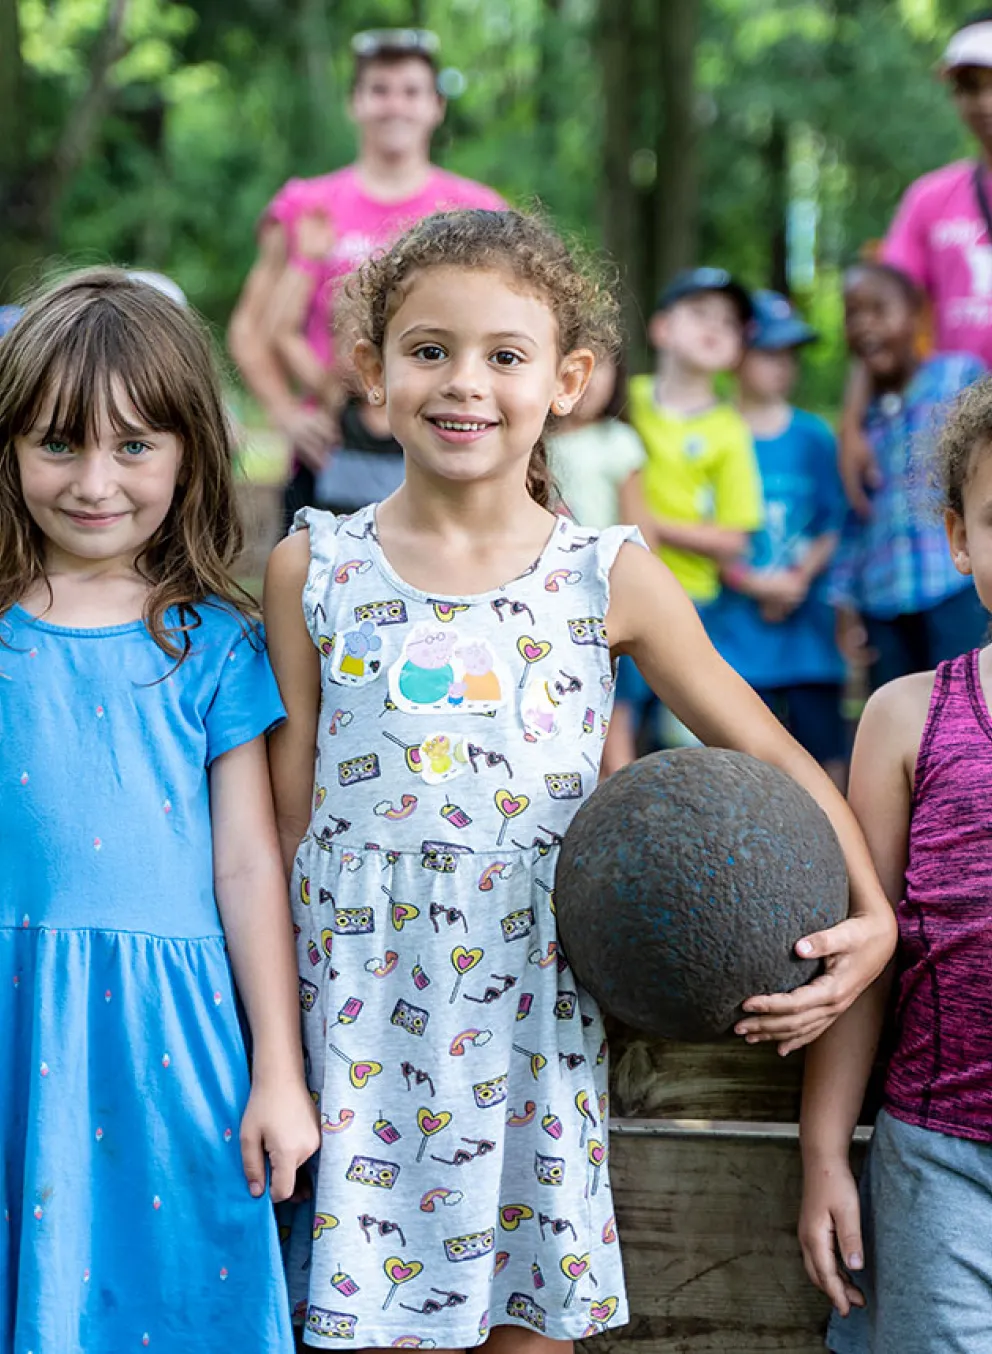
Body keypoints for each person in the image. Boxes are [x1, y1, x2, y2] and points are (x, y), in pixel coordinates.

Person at [263, 207, 897, 1351]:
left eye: (505, 356)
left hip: (527, 1020)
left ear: (569, 380)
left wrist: (873, 915)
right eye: (428, 349)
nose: (465, 383)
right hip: (353, 1026)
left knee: (527, 1327)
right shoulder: (314, 566)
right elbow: (280, 823)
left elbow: (766, 747)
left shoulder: (604, 574)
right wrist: (269, 1047)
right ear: (371, 372)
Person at [0, 268, 319, 1351]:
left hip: (167, 1039)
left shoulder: (213, 645)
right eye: (57, 443)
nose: (95, 481)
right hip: (15, 1011)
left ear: (189, 452)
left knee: (168, 1298)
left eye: (134, 445)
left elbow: (245, 867)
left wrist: (276, 1067)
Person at [799, 374, 992, 1354]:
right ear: (958, 540)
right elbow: (859, 955)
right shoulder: (906, 715)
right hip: (938, 1158)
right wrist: (824, 1152)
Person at [228, 28, 504, 524]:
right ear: (355, 102)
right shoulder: (304, 206)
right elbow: (251, 330)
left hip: (445, 442)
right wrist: (286, 416)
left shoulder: (478, 209)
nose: (394, 105)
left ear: (436, 106)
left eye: (411, 91)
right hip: (331, 448)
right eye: (379, 90)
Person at [603, 266, 763, 772]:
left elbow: (734, 538)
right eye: (699, 313)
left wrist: (646, 522)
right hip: (611, 587)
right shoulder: (620, 396)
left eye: (730, 322)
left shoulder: (729, 430)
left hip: (690, 600)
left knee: (686, 739)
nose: (715, 327)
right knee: (613, 725)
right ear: (662, 328)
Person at [840, 9, 992, 514]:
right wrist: (852, 426)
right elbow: (879, 318)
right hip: (962, 427)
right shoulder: (930, 199)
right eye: (970, 86)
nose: (984, 102)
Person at [706, 291, 848, 788]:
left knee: (824, 761)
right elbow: (702, 527)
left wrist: (795, 580)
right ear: (738, 357)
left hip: (809, 637)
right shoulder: (716, 433)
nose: (782, 367)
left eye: (790, 356)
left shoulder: (814, 437)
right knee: (746, 771)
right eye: (769, 353)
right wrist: (753, 583)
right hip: (736, 639)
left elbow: (832, 522)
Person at [829, 261, 987, 690]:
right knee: (903, 724)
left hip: (952, 589)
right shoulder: (859, 425)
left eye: (879, 310)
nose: (864, 324)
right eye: (852, 314)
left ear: (917, 315)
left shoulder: (956, 377)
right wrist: (843, 602)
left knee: (967, 715)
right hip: (883, 601)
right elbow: (852, 517)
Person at [545, 352, 646, 526]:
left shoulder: (619, 442)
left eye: (599, 364)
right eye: (574, 363)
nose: (587, 378)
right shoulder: (531, 441)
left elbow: (638, 526)